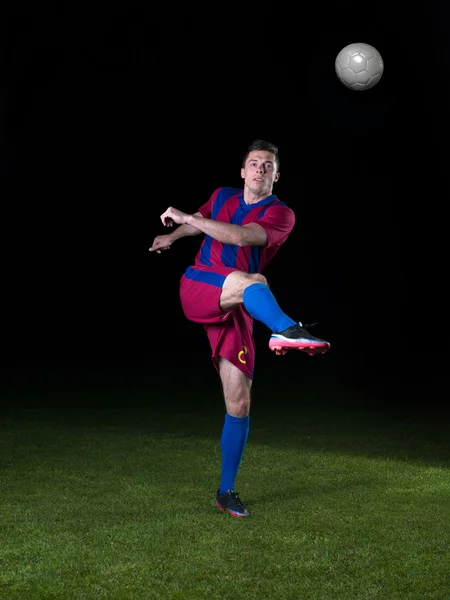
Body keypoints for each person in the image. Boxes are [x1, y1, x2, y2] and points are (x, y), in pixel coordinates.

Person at [149, 139, 330, 518]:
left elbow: (239, 235)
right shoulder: (221, 196)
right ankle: (286, 328)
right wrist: (174, 234)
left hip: (240, 301)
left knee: (239, 404)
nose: (260, 169)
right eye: (254, 163)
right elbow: (199, 225)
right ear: (243, 172)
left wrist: (188, 219)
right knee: (255, 280)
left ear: (276, 176)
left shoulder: (282, 214)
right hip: (200, 284)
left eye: (268, 165)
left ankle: (225, 491)